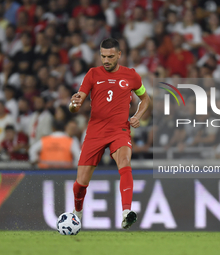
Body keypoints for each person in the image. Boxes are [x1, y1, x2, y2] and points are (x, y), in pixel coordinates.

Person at [69, 38, 150, 229]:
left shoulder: (131, 75)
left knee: (124, 162)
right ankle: (77, 212)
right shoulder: (92, 74)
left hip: (119, 130)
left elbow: (145, 99)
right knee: (81, 182)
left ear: (119, 55)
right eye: (103, 56)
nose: (106, 60)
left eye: (110, 56)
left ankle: (126, 211)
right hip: (95, 131)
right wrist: (74, 105)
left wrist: (138, 115)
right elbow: (77, 102)